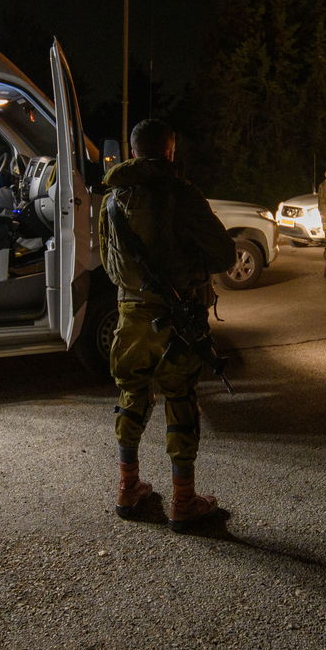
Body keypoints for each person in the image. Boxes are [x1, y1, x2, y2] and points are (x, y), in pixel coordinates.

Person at [98, 119, 236, 530]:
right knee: (180, 399)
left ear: (133, 152)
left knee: (131, 395)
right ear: (170, 151)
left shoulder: (113, 200)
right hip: (177, 320)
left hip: (130, 317)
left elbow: (109, 264)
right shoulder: (182, 194)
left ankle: (128, 488)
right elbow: (224, 255)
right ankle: (183, 501)